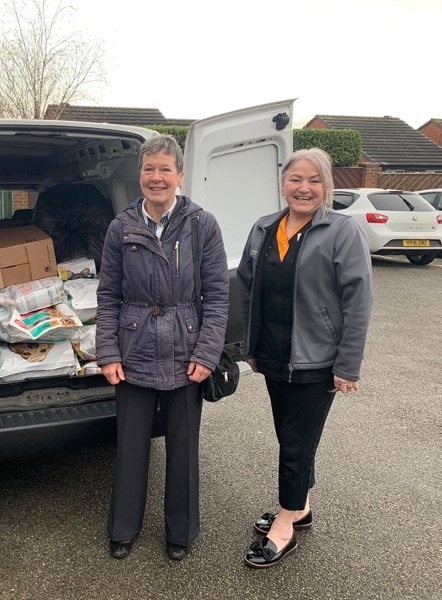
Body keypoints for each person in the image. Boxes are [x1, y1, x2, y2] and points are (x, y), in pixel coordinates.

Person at [236, 148, 373, 568]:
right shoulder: (263, 228)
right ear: (283, 184)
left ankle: (284, 525)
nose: (304, 188)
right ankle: (302, 506)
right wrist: (250, 347)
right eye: (296, 178)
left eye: (314, 180)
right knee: (290, 436)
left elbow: (359, 300)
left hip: (317, 362)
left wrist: (347, 365)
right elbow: (245, 288)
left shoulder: (341, 232)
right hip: (274, 356)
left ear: (327, 187)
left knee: (295, 444)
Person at [96, 134, 229, 561]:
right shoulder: (122, 226)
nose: (156, 178)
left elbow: (218, 297)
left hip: (186, 350)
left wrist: (207, 354)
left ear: (180, 176)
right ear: (140, 175)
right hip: (133, 348)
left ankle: (181, 532)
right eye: (149, 169)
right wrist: (108, 353)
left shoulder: (201, 224)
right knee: (131, 445)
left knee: (183, 447)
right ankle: (123, 529)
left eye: (165, 170)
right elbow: (108, 295)